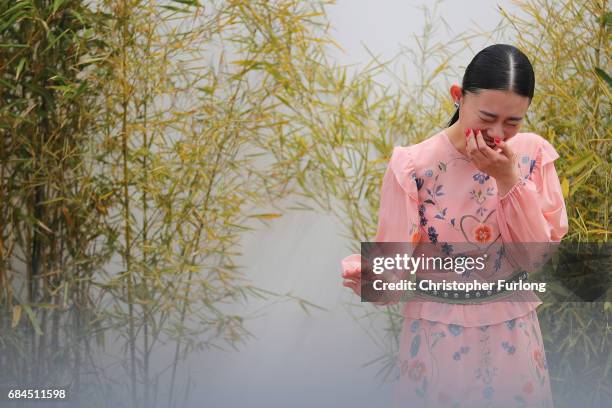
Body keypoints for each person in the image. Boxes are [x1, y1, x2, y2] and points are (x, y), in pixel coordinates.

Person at [340, 44, 568, 408]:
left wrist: (508, 179)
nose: (498, 132)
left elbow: (535, 258)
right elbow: (393, 272)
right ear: (458, 98)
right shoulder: (414, 166)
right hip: (438, 337)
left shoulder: (532, 156)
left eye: (513, 122)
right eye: (487, 116)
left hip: (513, 332)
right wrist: (372, 278)